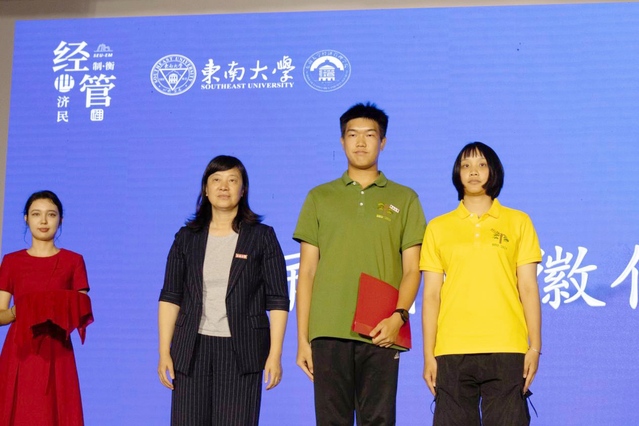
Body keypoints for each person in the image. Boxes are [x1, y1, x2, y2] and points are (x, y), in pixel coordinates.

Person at [293, 102, 427, 425]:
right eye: (353, 135)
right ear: (342, 142)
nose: (361, 142)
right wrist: (303, 340)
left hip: (381, 329)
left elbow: (413, 269)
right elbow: (307, 272)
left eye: (370, 135)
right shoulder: (319, 197)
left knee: (379, 420)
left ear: (383, 142)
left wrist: (398, 317)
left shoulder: (405, 198)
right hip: (328, 330)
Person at [157, 155, 289, 426]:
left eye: (232, 180)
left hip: (242, 350)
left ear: (243, 189)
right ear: (206, 189)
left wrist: (275, 354)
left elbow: (278, 300)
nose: (223, 187)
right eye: (216, 180)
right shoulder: (186, 238)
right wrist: (163, 351)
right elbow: (170, 297)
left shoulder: (262, 237)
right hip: (191, 348)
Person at [421, 142, 542, 425]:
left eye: (481, 165)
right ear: (457, 173)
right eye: (466, 165)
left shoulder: (518, 222)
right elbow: (431, 295)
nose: (473, 171)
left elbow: (528, 288)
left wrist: (534, 347)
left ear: (494, 171)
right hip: (452, 348)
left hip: (506, 345)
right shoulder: (438, 227)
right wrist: (428, 355)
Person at [0, 190, 94, 426]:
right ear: (26, 219)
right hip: (20, 350)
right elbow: (1, 313)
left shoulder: (73, 261)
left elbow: (80, 307)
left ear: (60, 219)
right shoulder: (11, 261)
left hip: (57, 348)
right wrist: (17, 312)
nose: (43, 221)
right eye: (36, 214)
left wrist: (55, 305)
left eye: (51, 214)